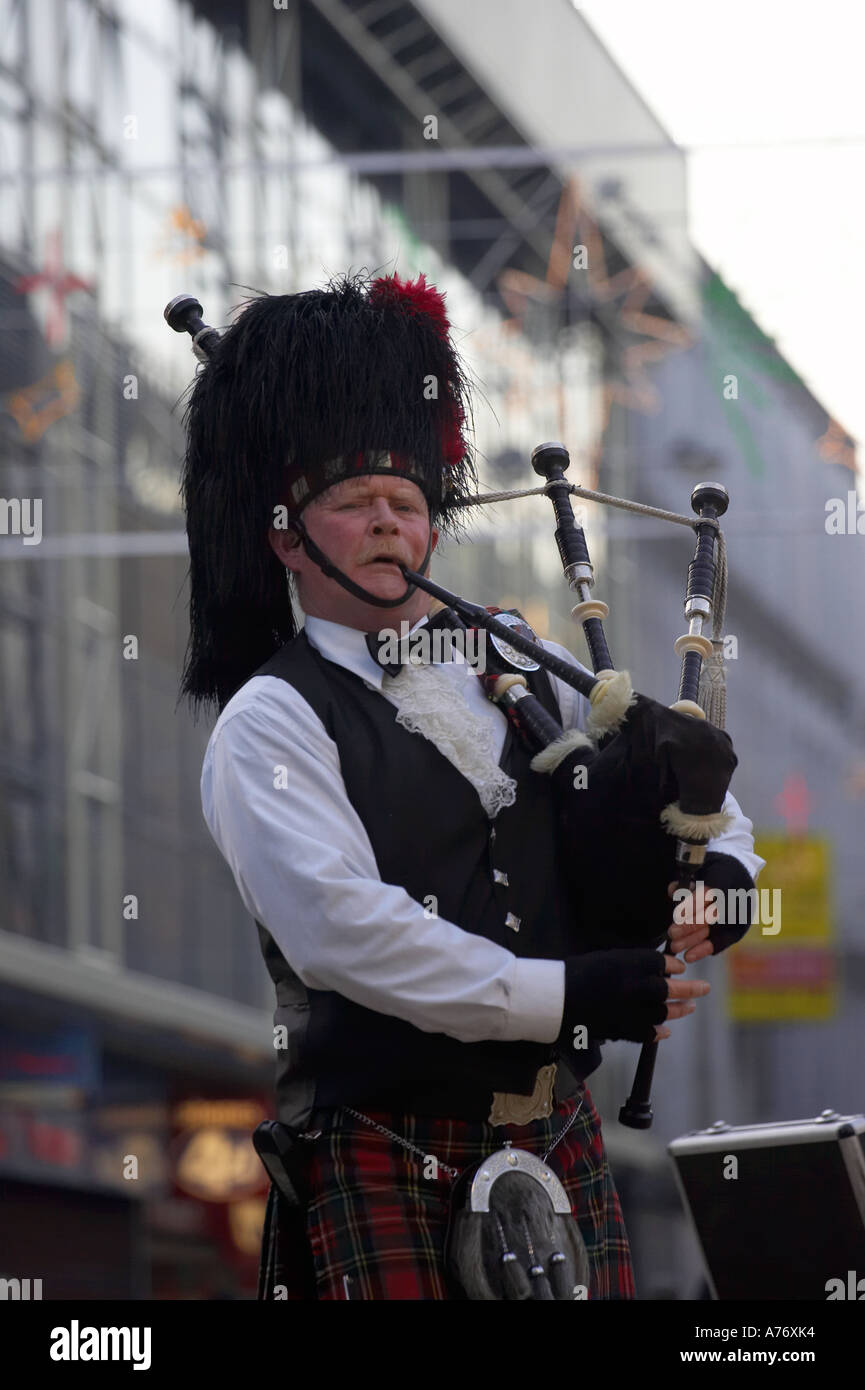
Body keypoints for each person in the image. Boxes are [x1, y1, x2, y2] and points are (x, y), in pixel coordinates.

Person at [180, 270, 763, 1300]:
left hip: (561, 1131)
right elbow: (342, 931)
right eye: (354, 505)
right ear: (287, 538)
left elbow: (688, 812)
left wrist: (716, 877)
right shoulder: (268, 720)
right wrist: (570, 992)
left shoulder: (516, 659)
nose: (388, 527)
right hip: (383, 1144)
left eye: (405, 504)